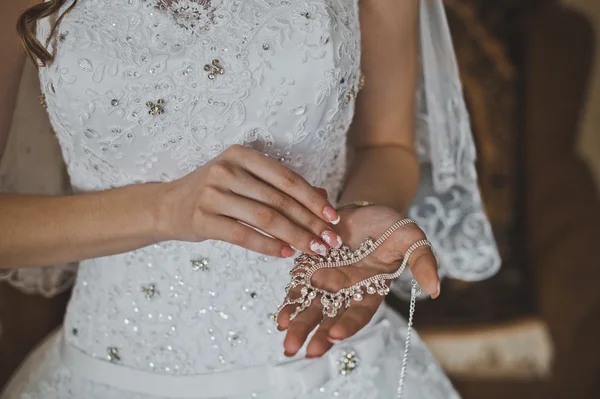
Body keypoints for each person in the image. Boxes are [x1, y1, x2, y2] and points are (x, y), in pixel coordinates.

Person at [0, 0, 500, 397]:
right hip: (109, 371)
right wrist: (163, 210)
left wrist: (357, 215)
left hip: (334, 371)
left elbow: (387, 145)